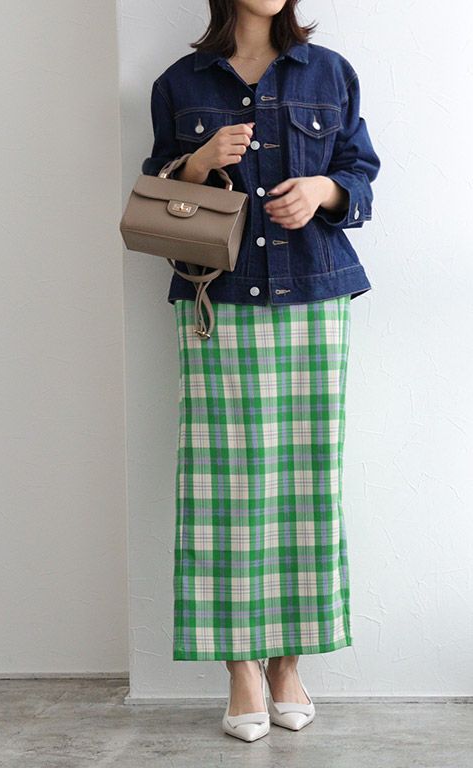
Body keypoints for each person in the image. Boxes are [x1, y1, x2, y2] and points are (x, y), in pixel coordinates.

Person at [141, 0, 381, 742]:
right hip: (218, 300)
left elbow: (360, 174)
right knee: (224, 485)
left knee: (307, 478)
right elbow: (158, 190)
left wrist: (323, 192)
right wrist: (199, 162)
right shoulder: (182, 82)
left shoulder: (330, 72)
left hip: (314, 294)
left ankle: (287, 664)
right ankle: (240, 667)